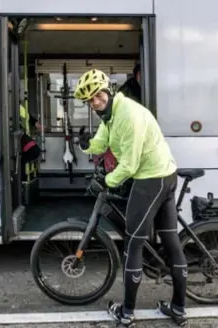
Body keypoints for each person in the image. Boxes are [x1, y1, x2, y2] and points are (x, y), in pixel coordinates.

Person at [74, 69, 188, 327]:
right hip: (164, 175)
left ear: (109, 90)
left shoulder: (128, 115)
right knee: (170, 241)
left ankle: (126, 313)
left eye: (98, 95)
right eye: (90, 100)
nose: (95, 102)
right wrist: (86, 145)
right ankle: (178, 309)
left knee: (133, 244)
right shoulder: (110, 116)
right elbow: (102, 143)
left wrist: (105, 181)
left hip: (151, 179)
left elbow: (130, 164)